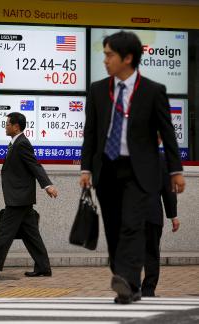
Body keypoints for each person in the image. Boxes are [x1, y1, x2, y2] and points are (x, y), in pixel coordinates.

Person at [79, 31, 185, 304]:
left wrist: (175, 170)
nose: (105, 60)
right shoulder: (98, 89)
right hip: (107, 169)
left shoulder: (153, 91)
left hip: (140, 171)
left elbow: (168, 133)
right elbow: (90, 132)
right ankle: (129, 282)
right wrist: (85, 168)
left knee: (132, 225)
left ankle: (126, 280)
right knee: (114, 227)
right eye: (105, 54)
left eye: (109, 55)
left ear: (127, 58)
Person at [0, 112, 58, 278]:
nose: (5, 127)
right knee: (31, 235)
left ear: (16, 126)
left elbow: (35, 165)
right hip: (21, 197)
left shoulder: (21, 144)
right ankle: (43, 267)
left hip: (18, 198)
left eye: (7, 124)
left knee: (5, 232)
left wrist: (47, 185)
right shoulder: (15, 143)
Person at [142, 142, 179, 297]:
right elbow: (169, 191)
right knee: (151, 253)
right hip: (152, 213)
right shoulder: (162, 160)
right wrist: (173, 216)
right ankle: (148, 290)